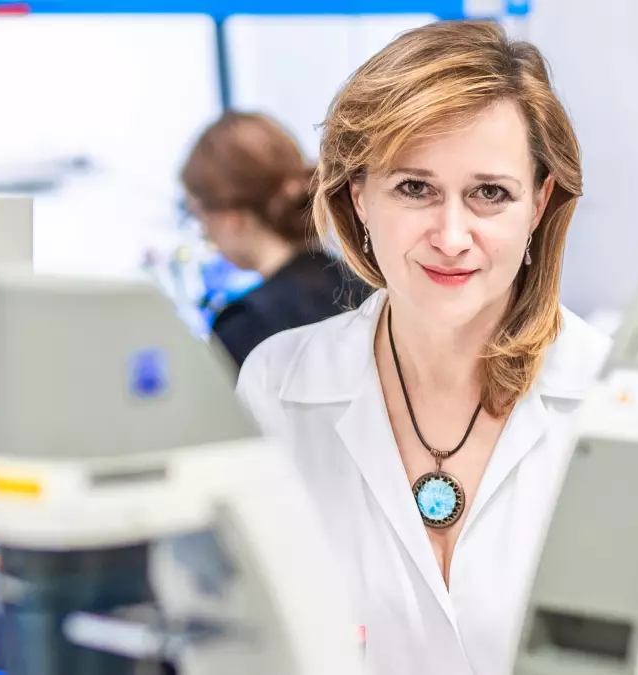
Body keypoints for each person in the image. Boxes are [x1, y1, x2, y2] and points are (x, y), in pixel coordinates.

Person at [236, 21, 610, 675]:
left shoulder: (614, 395)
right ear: (359, 196)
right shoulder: (277, 383)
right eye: (415, 188)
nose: (451, 236)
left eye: (489, 193)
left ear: (539, 204)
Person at [181, 111, 366, 368]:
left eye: (197, 214)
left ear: (230, 216)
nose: (203, 231)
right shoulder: (366, 286)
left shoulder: (246, 326)